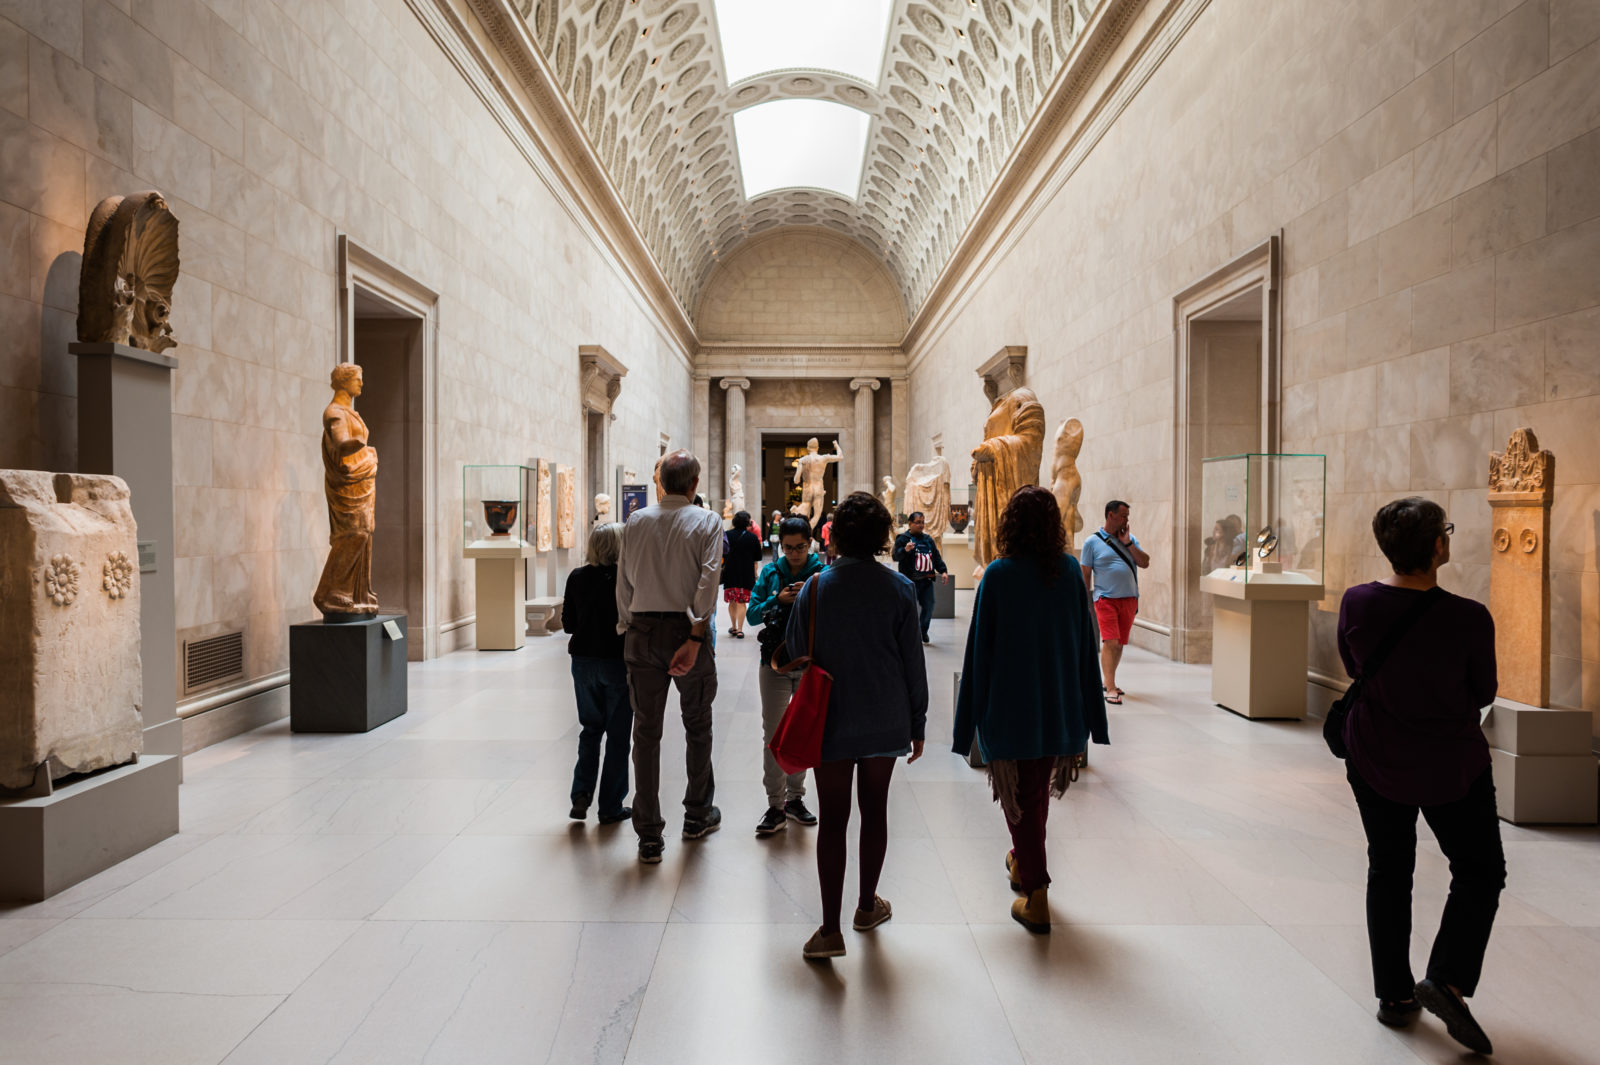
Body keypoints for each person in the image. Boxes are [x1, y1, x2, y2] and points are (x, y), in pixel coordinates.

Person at [1338, 497, 1503, 1055]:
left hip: (1375, 753)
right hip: (1450, 762)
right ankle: (1448, 979)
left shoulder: (1357, 603)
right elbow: (1483, 693)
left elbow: (1353, 667)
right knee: (1480, 870)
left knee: (1389, 866)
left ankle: (1395, 995)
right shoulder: (1468, 617)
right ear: (1437, 546)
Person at [953, 487, 1108, 934]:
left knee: (1020, 797)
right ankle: (1022, 861)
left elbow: (979, 652)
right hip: (1057, 703)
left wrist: (969, 722)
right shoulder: (1066, 571)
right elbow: (1086, 644)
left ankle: (1037, 893)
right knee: (1034, 791)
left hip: (1010, 704)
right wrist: (1089, 714)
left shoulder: (999, 575)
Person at [784, 492, 927, 960]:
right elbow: (913, 664)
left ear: (837, 536)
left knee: (833, 820)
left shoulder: (817, 587)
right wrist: (918, 722)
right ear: (884, 536)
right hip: (886, 718)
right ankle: (866, 906)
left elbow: (791, 649)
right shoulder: (901, 589)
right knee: (875, 811)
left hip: (832, 717)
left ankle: (829, 929)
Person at [616, 450, 725, 864]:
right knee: (697, 724)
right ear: (694, 485)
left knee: (645, 732)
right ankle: (697, 815)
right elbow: (708, 578)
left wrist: (631, 627)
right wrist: (695, 635)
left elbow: (624, 583)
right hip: (687, 632)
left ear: (660, 482)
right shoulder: (707, 521)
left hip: (642, 631)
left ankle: (648, 835)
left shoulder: (637, 521)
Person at [748, 516, 825, 836]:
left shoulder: (822, 574)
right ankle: (775, 804)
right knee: (774, 735)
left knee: (803, 732)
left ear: (811, 544)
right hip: (775, 663)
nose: (794, 554)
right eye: (788, 548)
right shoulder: (770, 572)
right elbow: (752, 615)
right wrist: (776, 599)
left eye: (801, 547)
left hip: (810, 662)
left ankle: (796, 798)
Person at [561, 522, 632, 825]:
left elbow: (567, 623)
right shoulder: (627, 579)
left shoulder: (577, 576)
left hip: (583, 661)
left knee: (590, 729)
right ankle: (610, 806)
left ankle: (580, 795)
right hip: (617, 661)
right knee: (617, 736)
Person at [1079, 499, 1149, 703]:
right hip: (1104, 598)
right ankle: (1110, 688)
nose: (1127, 519)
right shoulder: (1091, 542)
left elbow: (1144, 562)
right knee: (1110, 642)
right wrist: (1086, 602)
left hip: (1129, 599)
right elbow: (1085, 575)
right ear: (1111, 515)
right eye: (1124, 515)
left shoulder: (1130, 539)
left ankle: (1108, 680)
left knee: (1119, 645)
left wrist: (1128, 543)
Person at [891, 511, 950, 644]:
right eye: (918, 522)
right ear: (910, 524)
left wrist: (943, 571)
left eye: (922, 522)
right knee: (909, 609)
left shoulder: (928, 539)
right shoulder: (902, 539)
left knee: (929, 606)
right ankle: (909, 633)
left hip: (926, 580)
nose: (921, 525)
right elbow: (895, 557)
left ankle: (923, 630)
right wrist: (904, 550)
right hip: (909, 582)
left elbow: (936, 557)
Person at [721, 511, 763, 638]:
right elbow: (757, 558)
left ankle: (733, 627)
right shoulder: (752, 538)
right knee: (741, 602)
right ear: (747, 522)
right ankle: (740, 629)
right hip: (746, 573)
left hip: (730, 572)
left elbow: (722, 553)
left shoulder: (727, 535)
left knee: (732, 601)